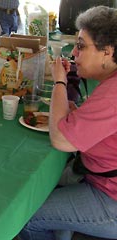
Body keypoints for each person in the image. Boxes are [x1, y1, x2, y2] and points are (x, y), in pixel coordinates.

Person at [19, 6, 117, 240]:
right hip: (101, 182)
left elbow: (61, 139)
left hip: (110, 198)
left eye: (81, 46)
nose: (73, 52)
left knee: (27, 215)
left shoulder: (113, 93)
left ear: (107, 52)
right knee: (47, 189)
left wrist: (60, 82)